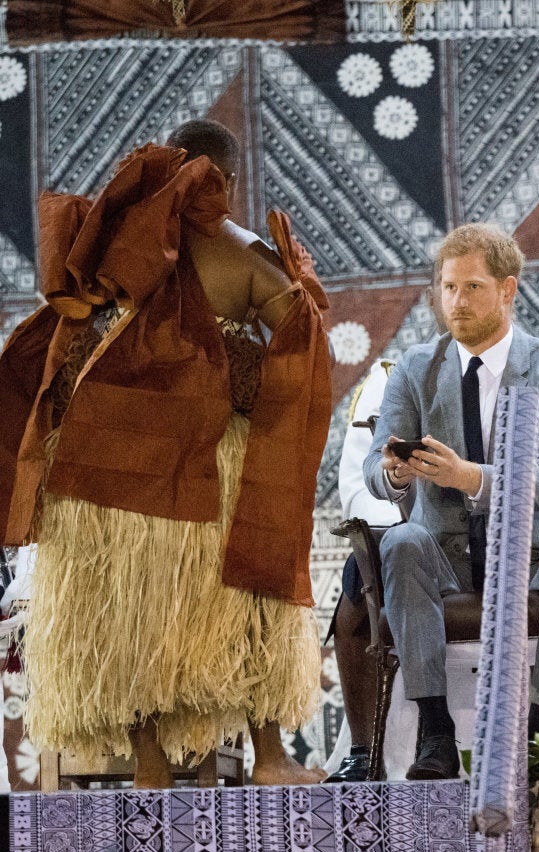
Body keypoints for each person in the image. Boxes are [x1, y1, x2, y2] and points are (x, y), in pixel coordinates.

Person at [0, 119, 332, 788]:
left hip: (115, 472)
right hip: (210, 471)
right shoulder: (240, 251)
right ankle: (267, 759)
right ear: (229, 183)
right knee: (240, 604)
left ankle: (153, 768)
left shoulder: (119, 243)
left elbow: (78, 335)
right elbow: (302, 336)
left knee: (143, 621)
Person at [363, 223, 539, 780]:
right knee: (400, 538)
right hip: (447, 552)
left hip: (536, 551)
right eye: (448, 287)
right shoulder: (415, 368)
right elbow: (376, 469)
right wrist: (395, 474)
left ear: (508, 289)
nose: (456, 301)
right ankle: (435, 731)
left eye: (472, 287)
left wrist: (466, 475)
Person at [325, 282, 446, 783]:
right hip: (405, 538)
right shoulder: (387, 381)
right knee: (362, 573)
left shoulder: (522, 377)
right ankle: (363, 751)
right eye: (449, 288)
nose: (459, 301)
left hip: (486, 542)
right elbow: (357, 483)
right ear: (437, 301)